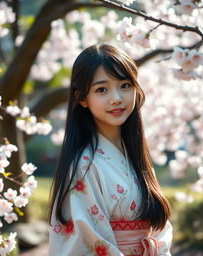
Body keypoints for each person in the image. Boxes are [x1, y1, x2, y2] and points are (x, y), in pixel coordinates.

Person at [48, 44, 173, 256]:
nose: (116, 98)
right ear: (83, 98)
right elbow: (87, 240)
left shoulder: (134, 155)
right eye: (102, 89)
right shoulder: (84, 165)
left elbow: (159, 230)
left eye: (124, 85)